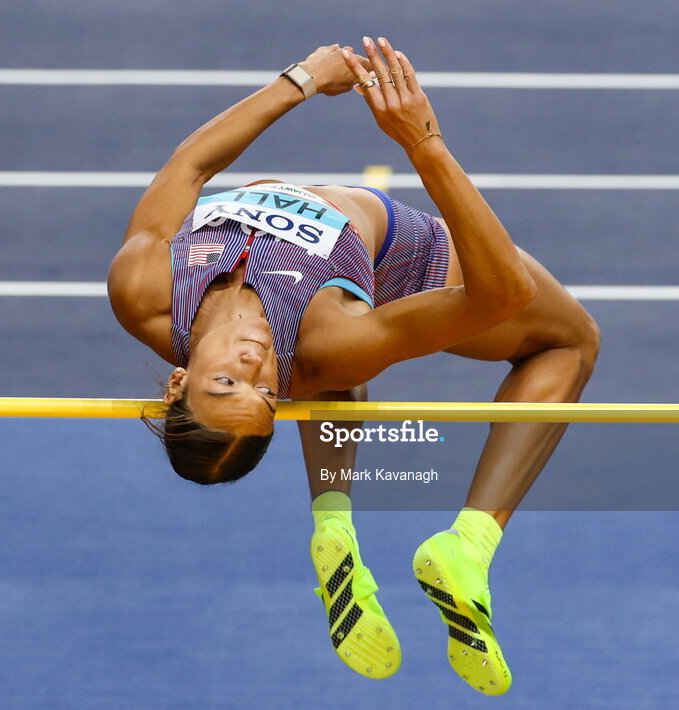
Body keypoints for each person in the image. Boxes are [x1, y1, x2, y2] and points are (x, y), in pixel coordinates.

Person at [108, 37, 599, 696]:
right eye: (264, 394)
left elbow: (190, 165)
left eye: (229, 381)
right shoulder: (322, 346)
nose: (257, 369)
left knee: (329, 367)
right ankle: (470, 544)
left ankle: (334, 522)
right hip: (401, 252)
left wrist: (302, 80)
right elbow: (500, 293)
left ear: (178, 380)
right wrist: (423, 143)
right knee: (570, 343)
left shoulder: (144, 290)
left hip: (334, 303)